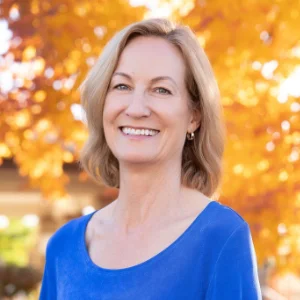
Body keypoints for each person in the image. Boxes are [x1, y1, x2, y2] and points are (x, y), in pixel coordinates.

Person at [39, 18, 262, 299]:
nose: (136, 107)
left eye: (161, 90)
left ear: (194, 116)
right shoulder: (63, 247)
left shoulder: (221, 237)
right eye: (121, 86)